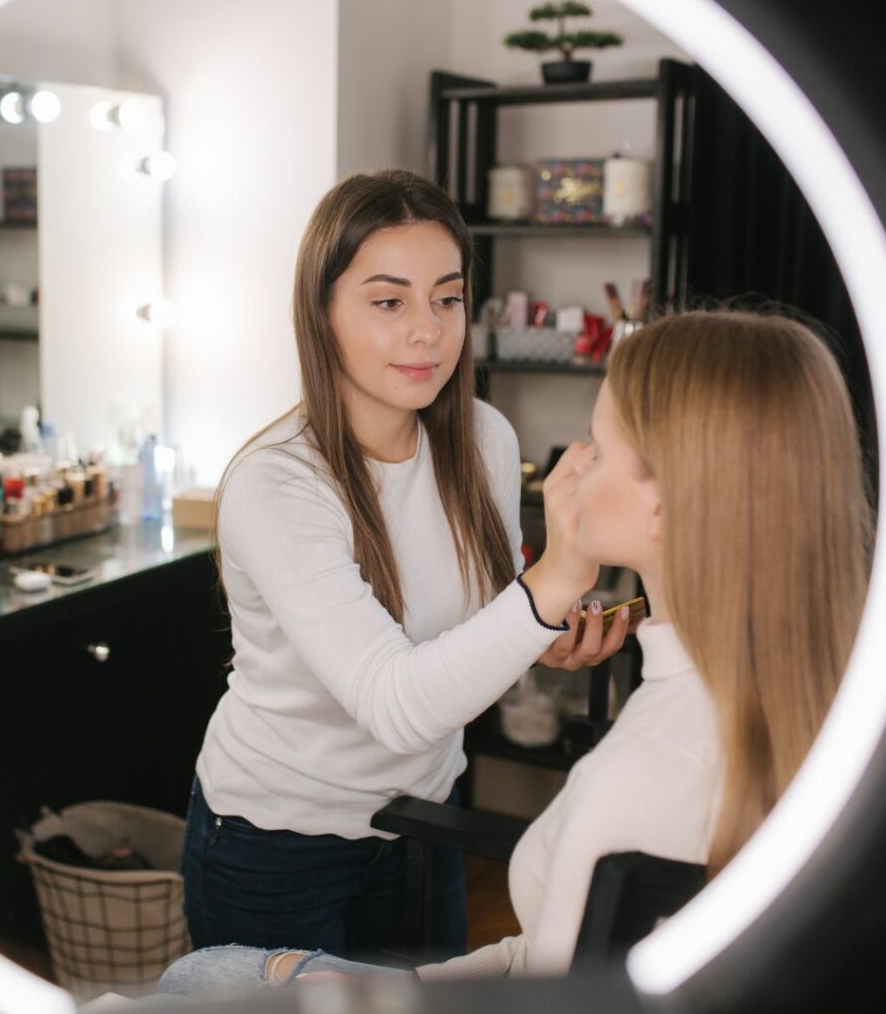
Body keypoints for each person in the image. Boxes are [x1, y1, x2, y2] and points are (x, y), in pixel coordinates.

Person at [157, 309, 871, 997]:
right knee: (206, 975)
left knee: (199, 979)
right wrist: (532, 626)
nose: (576, 464)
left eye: (598, 443)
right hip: (286, 826)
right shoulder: (799, 689)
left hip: (435, 837)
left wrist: (553, 581)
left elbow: (548, 988)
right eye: (388, 299)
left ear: (667, 501)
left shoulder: (643, 777)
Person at [181, 169, 633, 963]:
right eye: (389, 302)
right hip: (276, 842)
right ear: (322, 314)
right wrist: (555, 581)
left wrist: (545, 633)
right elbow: (393, 703)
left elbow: (483, 615)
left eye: (447, 298)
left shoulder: (484, 439)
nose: (428, 330)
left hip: (422, 820)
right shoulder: (278, 483)